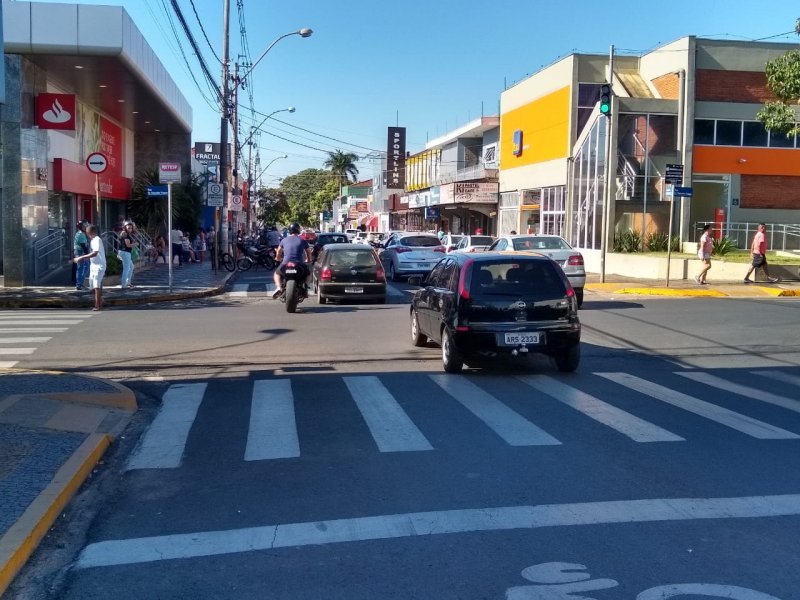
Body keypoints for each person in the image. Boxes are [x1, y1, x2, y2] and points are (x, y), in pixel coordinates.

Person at [272, 222, 312, 299]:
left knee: (277, 273)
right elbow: (308, 252)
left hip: (286, 264)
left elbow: (279, 252)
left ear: (290, 230)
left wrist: (278, 258)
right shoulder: (302, 240)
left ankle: (279, 287)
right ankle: (305, 287)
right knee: (309, 273)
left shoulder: (284, 240)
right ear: (298, 230)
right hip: (299, 264)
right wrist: (309, 260)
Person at [73, 225, 106, 311]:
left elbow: (94, 253)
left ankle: (97, 305)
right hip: (94, 265)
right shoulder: (93, 241)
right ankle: (100, 301)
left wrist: (81, 257)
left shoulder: (96, 240)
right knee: (94, 285)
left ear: (88, 233)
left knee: (96, 286)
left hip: (99, 265)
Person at [118, 221, 137, 288]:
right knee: (126, 268)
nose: (130, 229)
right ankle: (123, 285)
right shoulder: (125, 234)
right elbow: (128, 245)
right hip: (125, 252)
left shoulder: (125, 234)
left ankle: (128, 282)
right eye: (128, 228)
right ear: (125, 227)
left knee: (131, 267)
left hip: (124, 252)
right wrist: (135, 244)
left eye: (131, 228)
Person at [73, 220, 90, 290]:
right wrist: (88, 255)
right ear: (81, 227)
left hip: (79, 252)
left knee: (84, 267)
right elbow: (83, 246)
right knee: (81, 268)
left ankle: (80, 283)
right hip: (80, 252)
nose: (85, 227)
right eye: (84, 226)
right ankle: (79, 284)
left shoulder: (80, 233)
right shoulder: (81, 234)